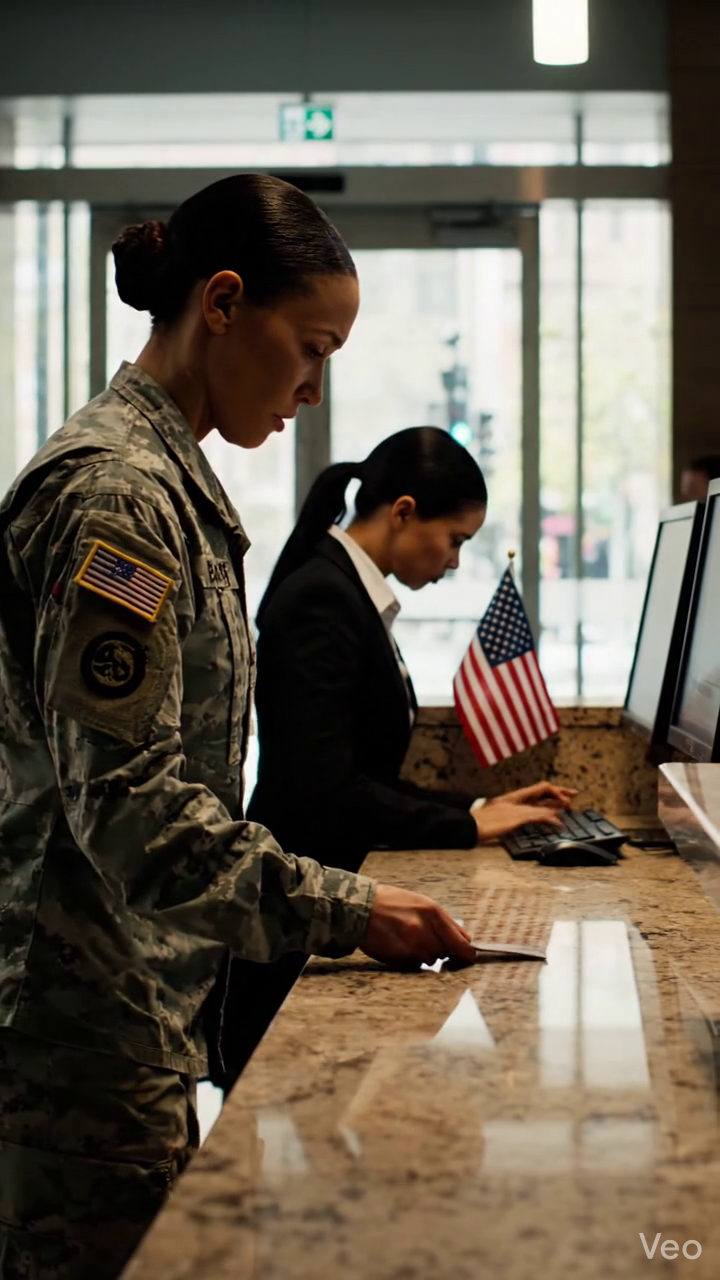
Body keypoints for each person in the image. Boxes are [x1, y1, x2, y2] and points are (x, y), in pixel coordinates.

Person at [0, 174, 476, 1280]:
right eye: (312, 347)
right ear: (221, 303)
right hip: (78, 1044)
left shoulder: (169, 481)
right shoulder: (116, 493)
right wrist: (348, 907)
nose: (314, 390)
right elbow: (131, 812)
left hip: (134, 1014)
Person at [217, 430, 572, 1089]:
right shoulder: (322, 598)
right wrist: (465, 825)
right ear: (404, 511)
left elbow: (362, 776)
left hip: (322, 900)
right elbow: (325, 788)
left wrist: (476, 807)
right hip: (296, 921)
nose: (457, 561)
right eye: (457, 539)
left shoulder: (345, 589)